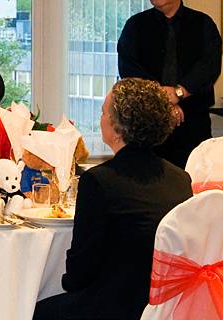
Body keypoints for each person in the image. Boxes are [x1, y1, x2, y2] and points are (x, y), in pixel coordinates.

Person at [33, 78, 193, 320]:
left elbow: (79, 274)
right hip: (165, 306)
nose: (100, 119)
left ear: (118, 128)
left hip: (114, 308)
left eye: (104, 112)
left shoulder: (100, 181)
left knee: (32, 309)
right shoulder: (180, 178)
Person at [118, 0, 222, 168]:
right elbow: (128, 67)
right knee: (146, 184)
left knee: (191, 182)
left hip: (193, 123)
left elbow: (209, 66)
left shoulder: (203, 24)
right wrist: (163, 98)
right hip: (145, 125)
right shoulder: (135, 25)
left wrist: (179, 92)